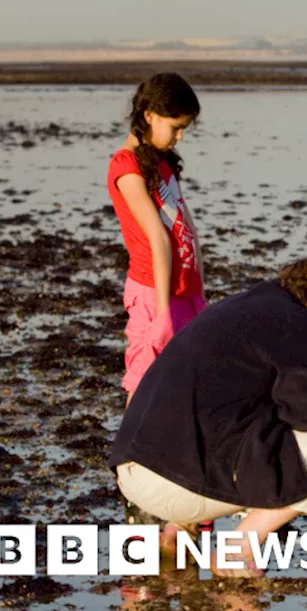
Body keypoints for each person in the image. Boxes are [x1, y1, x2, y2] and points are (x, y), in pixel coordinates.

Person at [111, 257, 307, 578]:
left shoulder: (241, 307)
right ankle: (237, 550)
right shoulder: (302, 323)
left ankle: (178, 529)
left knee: (229, 418)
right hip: (172, 486)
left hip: (132, 468)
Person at [106, 73, 205, 402]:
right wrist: (163, 311)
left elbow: (187, 230)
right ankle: (128, 451)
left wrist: (198, 291)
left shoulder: (162, 164)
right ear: (149, 115)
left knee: (183, 379)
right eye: (175, 127)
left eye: (183, 130)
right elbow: (156, 239)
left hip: (183, 288)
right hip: (153, 291)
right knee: (145, 381)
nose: (179, 137)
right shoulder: (127, 166)